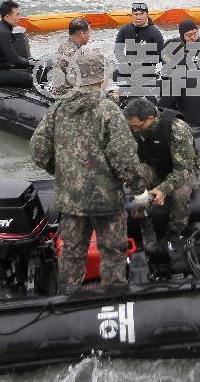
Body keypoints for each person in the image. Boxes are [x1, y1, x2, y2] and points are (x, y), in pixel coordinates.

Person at [29, 50, 149, 293]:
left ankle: (66, 305)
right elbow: (124, 157)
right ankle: (112, 305)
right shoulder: (108, 110)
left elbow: (38, 150)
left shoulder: (58, 109)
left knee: (72, 255)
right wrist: (139, 191)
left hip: (70, 198)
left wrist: (63, 172)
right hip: (106, 201)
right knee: (113, 253)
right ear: (101, 78)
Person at [123, 98, 200, 245]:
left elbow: (184, 168)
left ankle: (173, 235)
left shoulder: (177, 129)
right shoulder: (136, 129)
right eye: (131, 126)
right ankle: (145, 224)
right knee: (136, 177)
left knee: (180, 196)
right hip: (156, 166)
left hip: (182, 171)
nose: (134, 130)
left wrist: (162, 189)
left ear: (150, 119)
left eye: (136, 126)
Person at [160, 18, 200, 126]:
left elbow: (163, 107)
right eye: (189, 35)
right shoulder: (195, 67)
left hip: (190, 126)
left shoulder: (178, 75)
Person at [0, 0, 34, 88]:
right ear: (7, 17)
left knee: (33, 71)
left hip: (1, 68)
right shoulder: (3, 32)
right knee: (29, 78)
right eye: (17, 15)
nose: (19, 18)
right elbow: (15, 60)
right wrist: (32, 62)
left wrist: (30, 64)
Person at [114, 2, 165, 86]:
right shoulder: (125, 30)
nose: (138, 17)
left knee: (137, 76)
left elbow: (161, 55)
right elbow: (118, 49)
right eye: (136, 14)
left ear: (147, 14)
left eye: (141, 14)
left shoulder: (154, 33)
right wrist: (123, 61)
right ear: (132, 15)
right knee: (115, 75)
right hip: (130, 64)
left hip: (147, 67)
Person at [51, 17, 91, 98]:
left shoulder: (64, 46)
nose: (89, 36)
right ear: (82, 34)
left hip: (59, 91)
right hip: (66, 95)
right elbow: (80, 81)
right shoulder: (73, 53)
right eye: (89, 32)